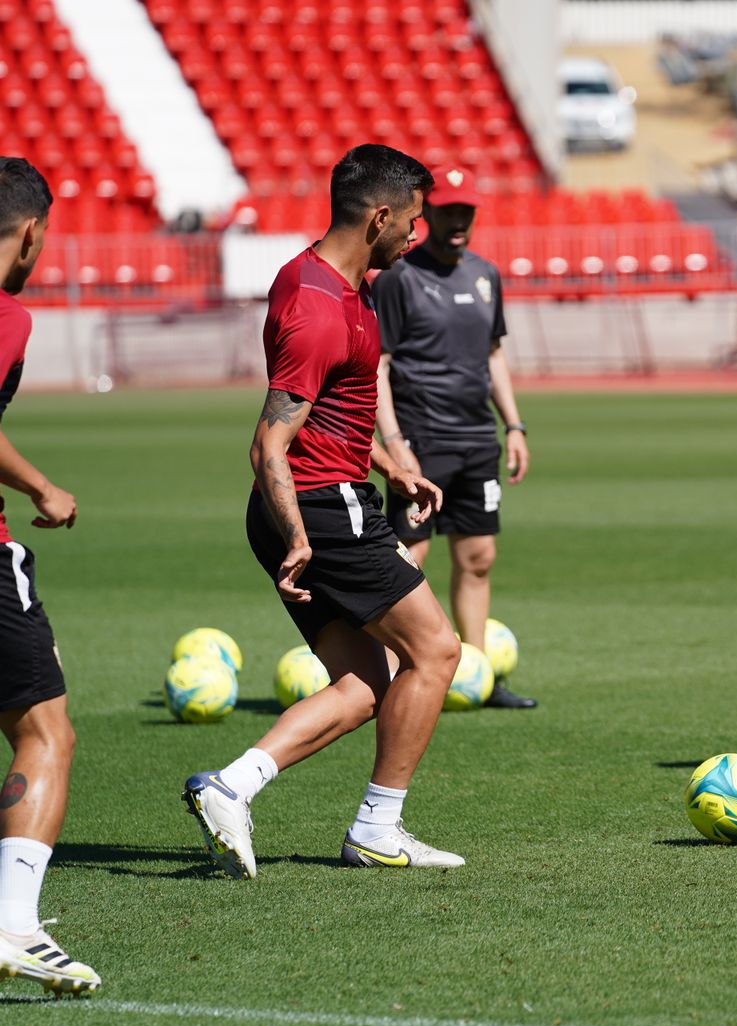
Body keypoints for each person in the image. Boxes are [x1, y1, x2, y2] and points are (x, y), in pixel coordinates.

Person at [182, 145, 466, 878]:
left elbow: (332, 415)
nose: (418, 233)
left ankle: (230, 786)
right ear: (379, 217)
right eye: (412, 220)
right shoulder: (315, 306)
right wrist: (303, 536)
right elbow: (269, 443)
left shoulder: (341, 282)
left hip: (327, 496)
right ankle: (379, 828)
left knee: (365, 684)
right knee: (436, 652)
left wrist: (392, 464)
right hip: (319, 508)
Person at [372, 165, 537, 709]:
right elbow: (380, 366)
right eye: (449, 212)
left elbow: (493, 355)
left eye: (468, 212)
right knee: (408, 555)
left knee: (479, 557)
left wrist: (513, 425)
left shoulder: (486, 274)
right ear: (429, 214)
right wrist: (394, 441)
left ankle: (479, 676)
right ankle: (385, 674)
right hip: (421, 439)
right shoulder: (398, 278)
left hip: (476, 439)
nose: (460, 221)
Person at [0, 157, 99, 994]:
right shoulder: (7, 318)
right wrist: (41, 487)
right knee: (44, 732)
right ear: (30, 230)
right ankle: (14, 926)